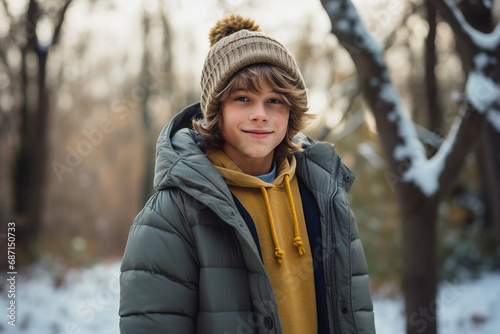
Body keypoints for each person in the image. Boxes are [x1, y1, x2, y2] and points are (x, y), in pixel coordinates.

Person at [119, 14, 375, 334]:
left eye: (274, 101)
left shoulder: (327, 195)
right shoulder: (170, 215)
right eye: (243, 99)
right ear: (216, 110)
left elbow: (356, 316)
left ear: (290, 111)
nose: (259, 114)